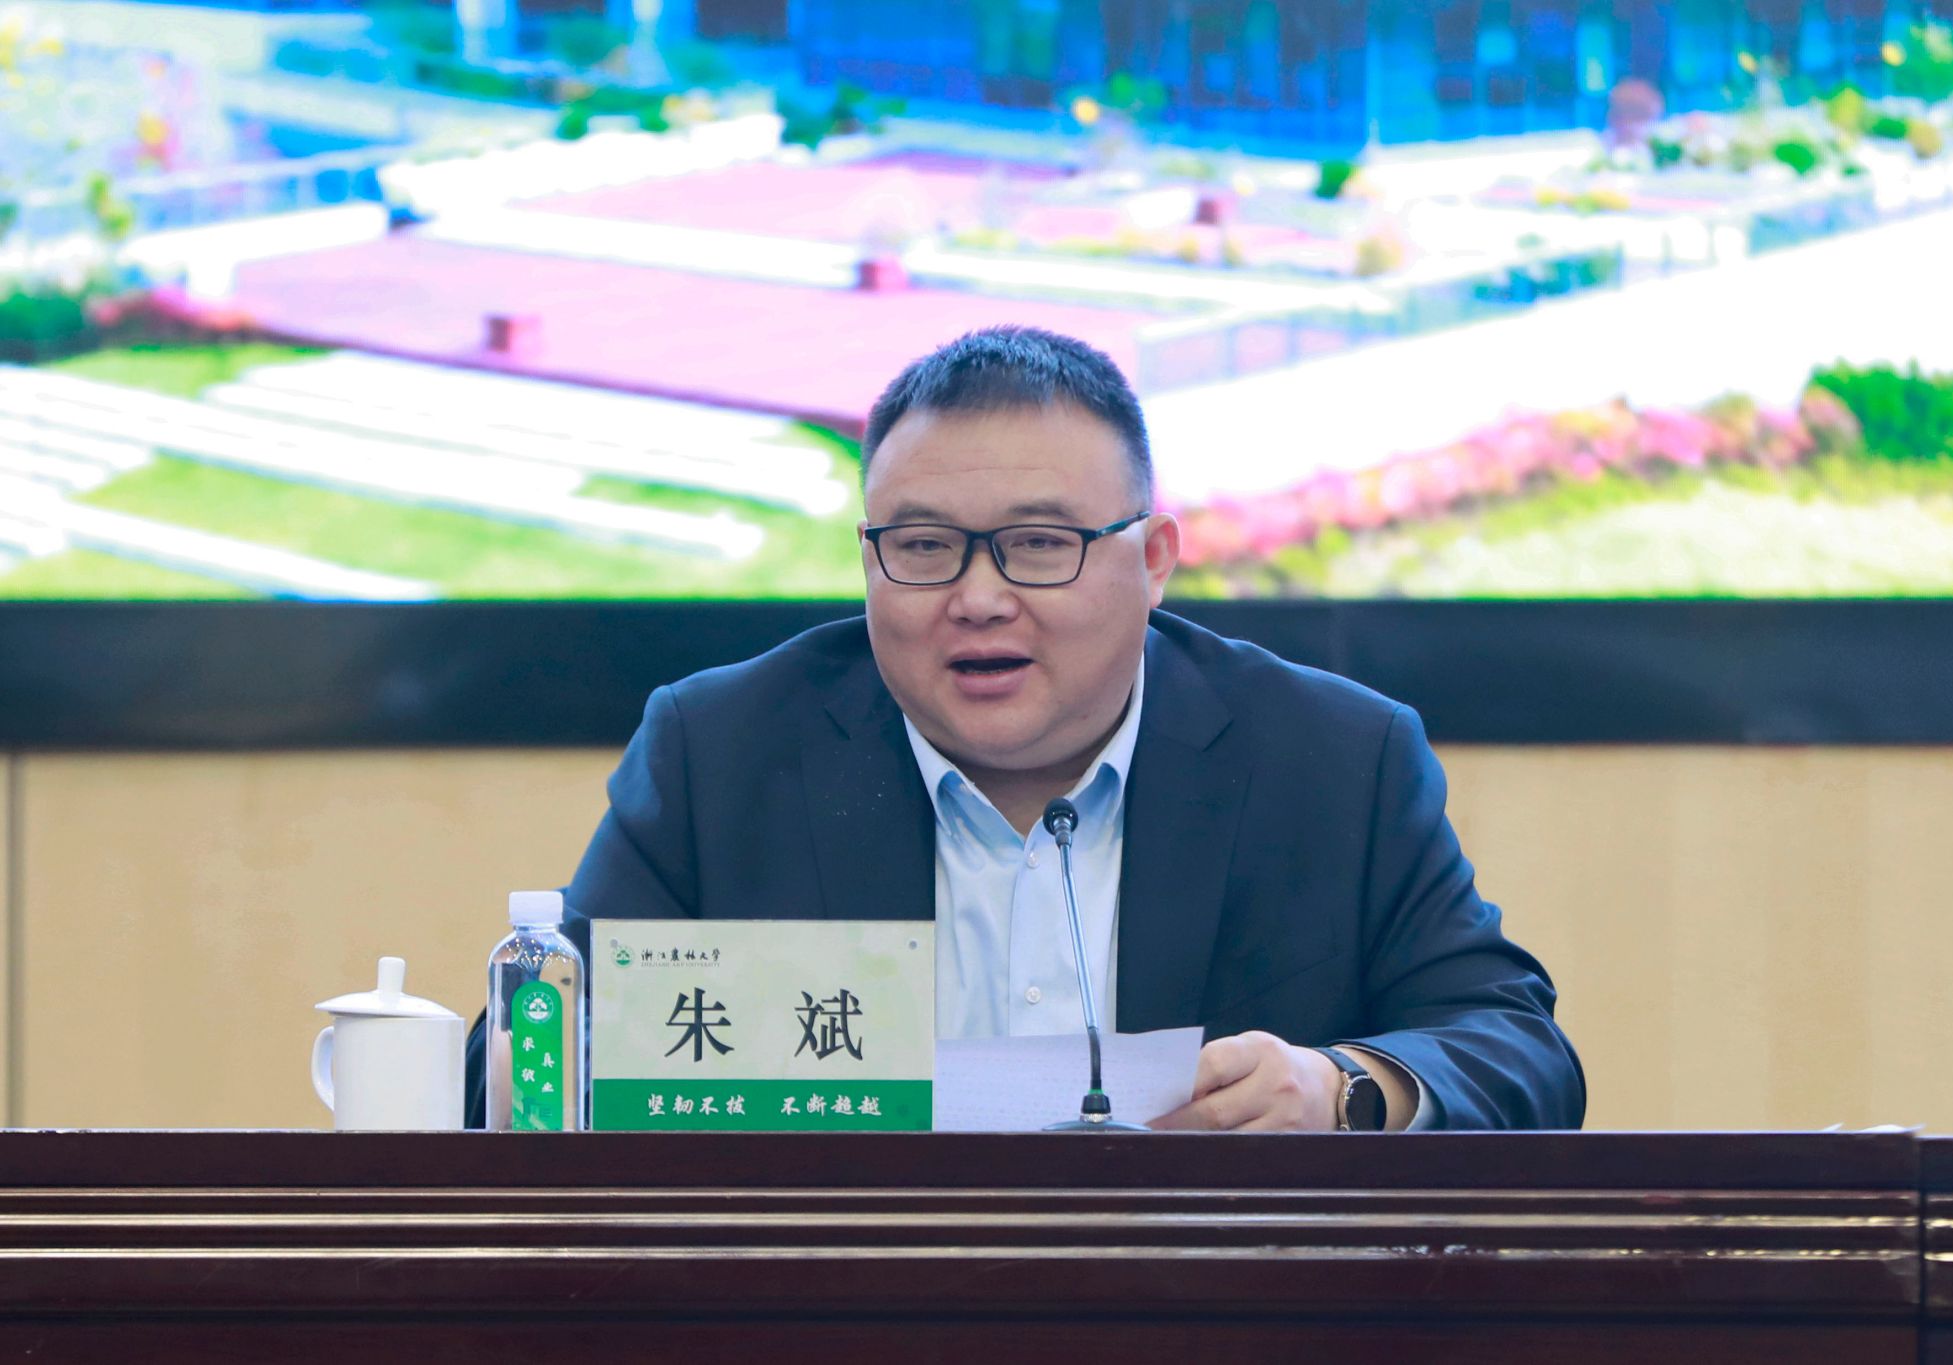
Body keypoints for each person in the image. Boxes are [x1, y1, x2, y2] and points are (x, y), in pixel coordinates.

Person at [466, 326, 1583, 1131]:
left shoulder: (1332, 757)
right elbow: (517, 1070)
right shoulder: (721, 751)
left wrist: (1342, 1090)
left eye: (1040, 545)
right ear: (869, 562)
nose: (978, 597)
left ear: (1153, 561)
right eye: (922, 546)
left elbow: (1514, 1048)